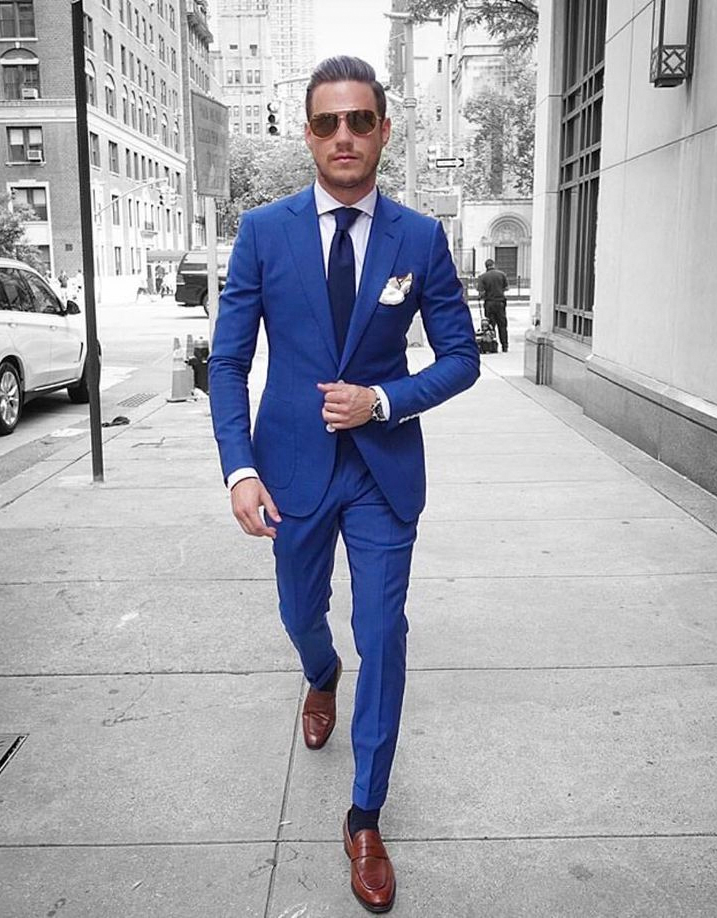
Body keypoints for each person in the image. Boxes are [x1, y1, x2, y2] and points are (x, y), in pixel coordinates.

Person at [208, 56, 479, 913]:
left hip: (382, 473)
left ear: (384, 130)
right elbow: (227, 362)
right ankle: (318, 675)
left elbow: (463, 357)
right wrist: (240, 468)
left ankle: (365, 815)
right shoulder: (263, 232)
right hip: (289, 469)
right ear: (308, 134)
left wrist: (385, 399)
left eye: (360, 121)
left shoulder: (418, 238)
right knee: (302, 616)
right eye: (328, 123)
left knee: (385, 631)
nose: (345, 137)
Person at [477, 258, 509, 352]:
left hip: (489, 303)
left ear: (486, 266)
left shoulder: (482, 277)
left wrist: (483, 295)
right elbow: (506, 288)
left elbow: (481, 292)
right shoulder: (502, 274)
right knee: (502, 325)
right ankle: (505, 346)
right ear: (493, 265)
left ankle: (491, 345)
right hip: (500, 303)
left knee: (490, 325)